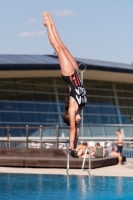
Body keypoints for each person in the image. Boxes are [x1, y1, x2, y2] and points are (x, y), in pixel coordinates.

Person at [43, 11, 87, 157]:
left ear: (71, 118)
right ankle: (52, 23)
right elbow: (78, 131)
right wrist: (76, 145)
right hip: (76, 73)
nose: (78, 121)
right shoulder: (80, 109)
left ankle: (48, 25)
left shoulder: (73, 110)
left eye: (75, 121)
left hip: (69, 75)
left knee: (58, 47)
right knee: (64, 47)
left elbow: (73, 130)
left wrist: (71, 147)